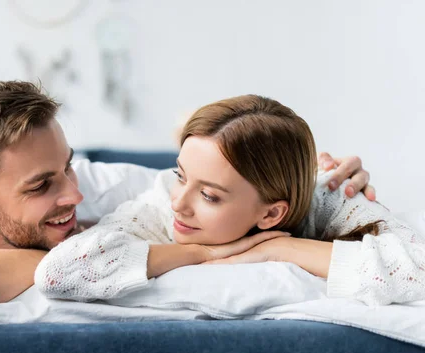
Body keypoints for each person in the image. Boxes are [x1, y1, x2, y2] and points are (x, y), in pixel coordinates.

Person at [0, 80, 375, 332]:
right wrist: (195, 258)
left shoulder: (107, 186)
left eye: (69, 166)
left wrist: (321, 178)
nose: (73, 196)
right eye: (40, 187)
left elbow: (227, 187)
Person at [34, 95, 425, 306]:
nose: (180, 204)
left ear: (273, 213)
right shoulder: (157, 205)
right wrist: (205, 253)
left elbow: (415, 271)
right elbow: (57, 275)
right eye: (180, 175)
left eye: (208, 195)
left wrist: (282, 249)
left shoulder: (328, 198)